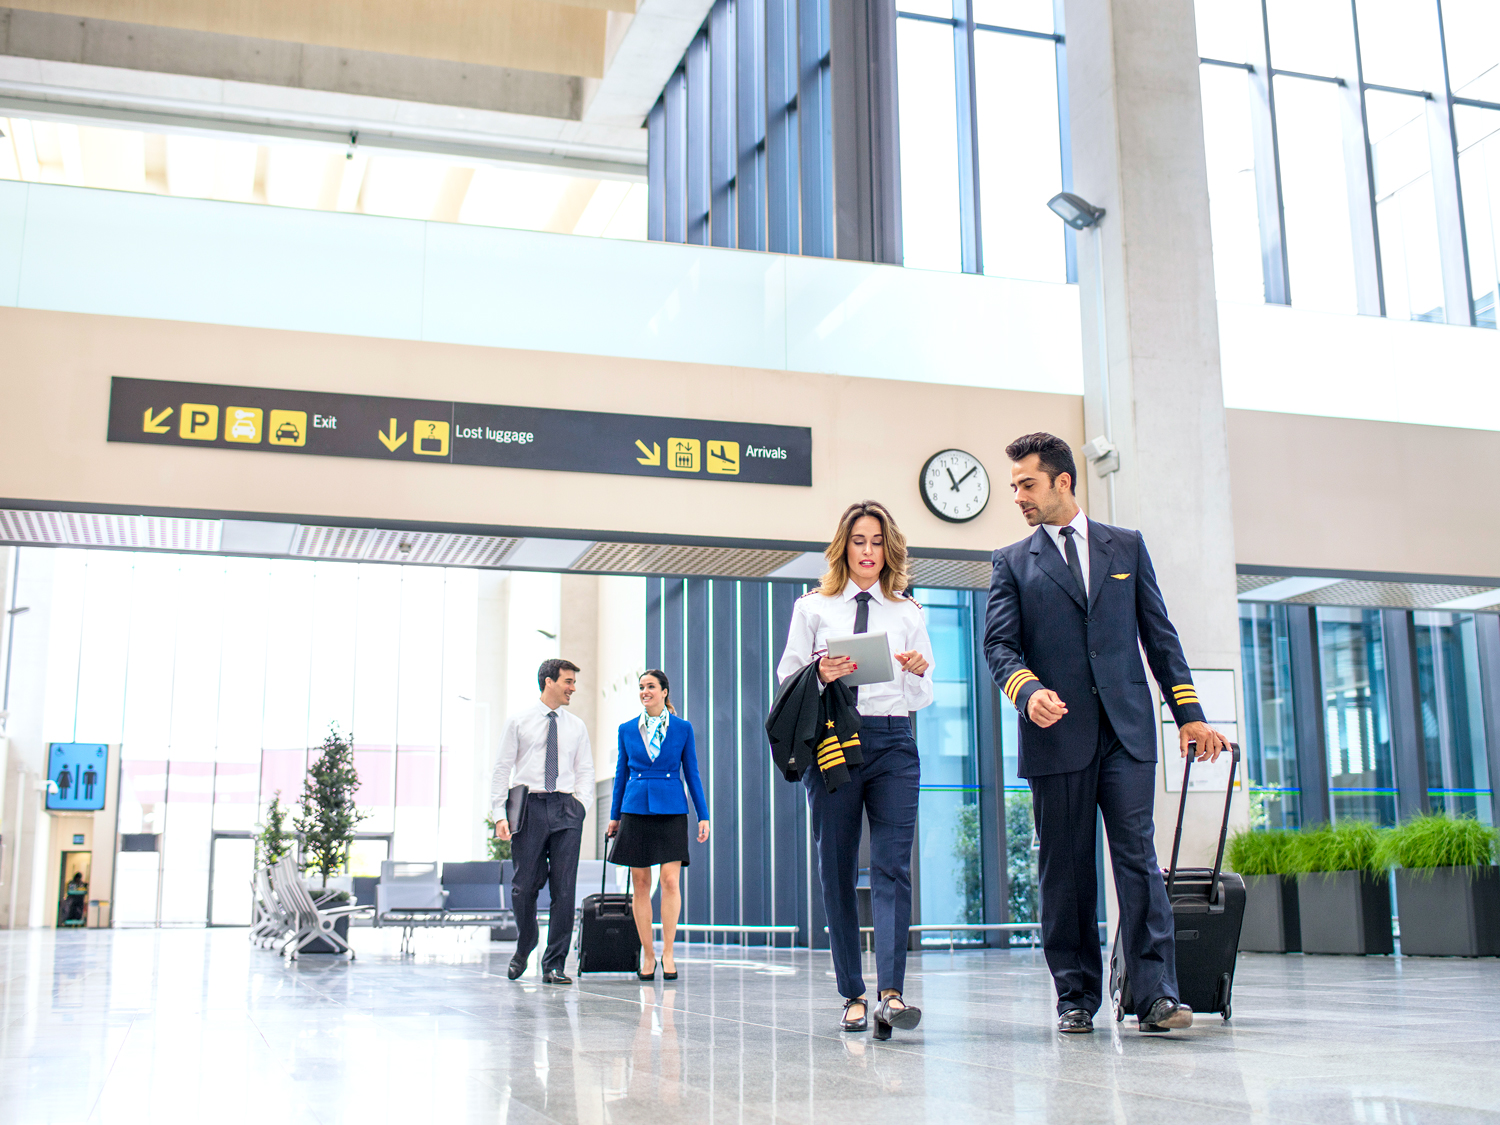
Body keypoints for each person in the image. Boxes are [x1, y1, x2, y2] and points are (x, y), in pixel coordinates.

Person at [983, 432, 1229, 1035]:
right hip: (1056, 734)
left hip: (1127, 733)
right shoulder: (1012, 561)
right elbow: (999, 645)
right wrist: (1025, 690)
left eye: (1027, 483)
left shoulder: (1128, 547)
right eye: (1014, 485)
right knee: (1064, 872)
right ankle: (1076, 996)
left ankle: (1156, 997)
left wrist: (1189, 714)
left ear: (1064, 481)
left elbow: (1159, 636)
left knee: (1138, 864)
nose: (1017, 495)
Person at [777, 500, 935, 1040]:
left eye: (876, 542)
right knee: (836, 867)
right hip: (835, 742)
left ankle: (892, 993)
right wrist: (820, 671)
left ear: (888, 550)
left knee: (893, 867)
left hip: (893, 741)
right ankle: (852, 993)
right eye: (858, 541)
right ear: (844, 547)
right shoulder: (813, 607)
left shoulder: (908, 612)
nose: (867, 552)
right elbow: (788, 679)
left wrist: (916, 670)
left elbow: (923, 695)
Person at [491, 657, 596, 984]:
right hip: (529, 807)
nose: (573, 688)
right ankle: (526, 943)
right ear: (549, 681)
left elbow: (586, 771)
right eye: (568, 681)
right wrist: (499, 814)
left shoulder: (576, 725)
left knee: (564, 889)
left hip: (566, 807)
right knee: (524, 888)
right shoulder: (519, 722)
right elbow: (501, 769)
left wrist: (580, 806)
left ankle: (554, 964)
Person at [605, 669, 710, 981]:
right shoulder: (626, 729)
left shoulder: (682, 728)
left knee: (670, 882)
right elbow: (620, 775)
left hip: (671, 809)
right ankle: (648, 953)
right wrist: (614, 816)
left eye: (650, 686)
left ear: (665, 691)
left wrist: (702, 814)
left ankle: (668, 952)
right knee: (640, 884)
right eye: (641, 687)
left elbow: (692, 773)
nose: (644, 692)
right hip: (634, 808)